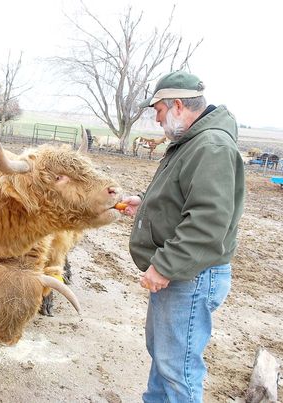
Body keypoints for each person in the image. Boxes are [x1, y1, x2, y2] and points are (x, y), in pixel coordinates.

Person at [120, 71, 245, 401]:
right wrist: (145, 204)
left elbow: (207, 222)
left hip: (191, 274)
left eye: (159, 111)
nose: (158, 120)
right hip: (183, 270)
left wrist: (164, 266)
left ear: (177, 105)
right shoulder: (192, 142)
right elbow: (186, 198)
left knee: (178, 369)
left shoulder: (211, 147)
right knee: (165, 358)